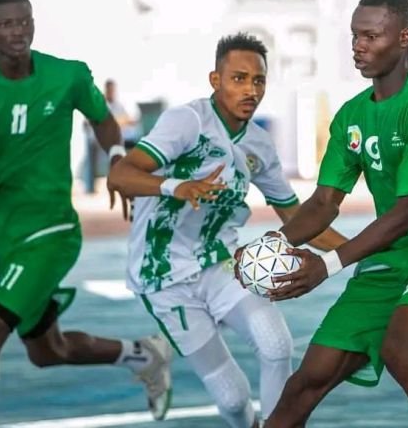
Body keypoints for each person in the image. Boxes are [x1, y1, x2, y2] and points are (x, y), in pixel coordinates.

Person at [244, 0, 408, 428]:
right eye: (355, 36)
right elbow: (324, 203)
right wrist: (271, 244)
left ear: (404, 37)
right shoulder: (351, 117)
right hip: (390, 252)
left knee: (402, 348)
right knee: (308, 380)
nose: (359, 46)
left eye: (372, 36)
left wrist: (326, 264)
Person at [0, 0, 172, 427]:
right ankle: (142, 354)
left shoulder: (67, 76)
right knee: (47, 352)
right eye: (5, 24)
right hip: (8, 235)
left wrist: (117, 156)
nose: (17, 31)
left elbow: (102, 118)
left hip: (54, 231)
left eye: (24, 21)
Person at [107, 33, 346, 428]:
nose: (251, 89)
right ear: (215, 80)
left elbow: (298, 218)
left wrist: (362, 248)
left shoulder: (260, 146)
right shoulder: (189, 121)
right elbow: (120, 175)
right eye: (238, 78)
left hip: (220, 262)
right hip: (162, 277)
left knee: (276, 344)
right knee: (232, 399)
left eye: (259, 80)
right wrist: (176, 187)